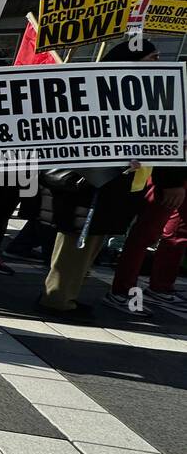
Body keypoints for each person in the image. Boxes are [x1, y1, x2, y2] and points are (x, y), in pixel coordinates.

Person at [39, 40, 178, 319]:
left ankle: (68, 296)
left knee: (91, 244)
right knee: (76, 245)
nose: (158, 62)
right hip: (90, 185)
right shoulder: (98, 90)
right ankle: (57, 301)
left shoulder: (137, 92)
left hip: (115, 186)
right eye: (152, 57)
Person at [106, 176, 187, 314]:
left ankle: (160, 288)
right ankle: (122, 292)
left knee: (178, 232)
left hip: (176, 177)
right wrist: (171, 181)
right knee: (146, 233)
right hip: (169, 175)